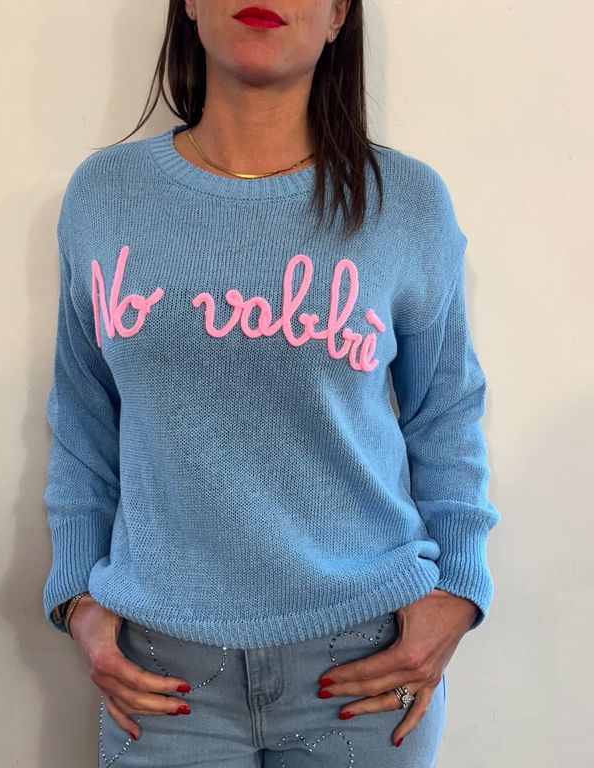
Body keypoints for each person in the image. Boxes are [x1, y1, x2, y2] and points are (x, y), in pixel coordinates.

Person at [42, 1, 500, 766]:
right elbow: (84, 417)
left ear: (338, 14)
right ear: (190, 4)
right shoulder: (106, 195)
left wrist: (459, 586)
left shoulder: (406, 201)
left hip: (367, 662)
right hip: (161, 671)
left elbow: (445, 413)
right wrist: (77, 597)